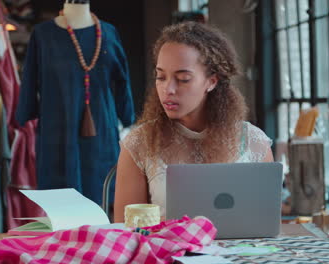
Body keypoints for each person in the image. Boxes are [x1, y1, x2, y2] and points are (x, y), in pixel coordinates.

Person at [114, 22, 273, 222]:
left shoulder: (253, 141)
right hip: (165, 252)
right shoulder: (140, 143)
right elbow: (125, 230)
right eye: (161, 77)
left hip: (241, 253)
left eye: (182, 79)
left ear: (212, 82)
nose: (168, 89)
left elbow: (266, 223)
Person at [16, 0, 135, 206]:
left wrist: (127, 114)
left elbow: (122, 79)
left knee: (102, 196)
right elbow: (29, 78)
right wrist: (25, 111)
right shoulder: (43, 34)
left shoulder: (108, 32)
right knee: (60, 202)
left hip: (100, 132)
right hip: (57, 132)